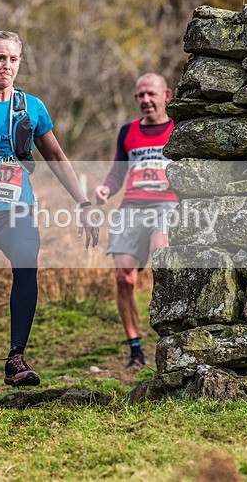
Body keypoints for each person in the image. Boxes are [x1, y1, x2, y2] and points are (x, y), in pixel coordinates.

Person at [0, 30, 99, 402]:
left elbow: (57, 158)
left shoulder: (33, 108)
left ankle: (16, 359)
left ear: (19, 63)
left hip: (18, 210)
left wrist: (84, 204)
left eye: (12, 59)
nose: (6, 66)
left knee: (27, 258)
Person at [93, 73, 177, 368]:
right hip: (132, 208)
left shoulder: (178, 129)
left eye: (151, 94)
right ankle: (136, 349)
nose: (145, 100)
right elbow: (117, 173)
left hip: (167, 205)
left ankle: (172, 335)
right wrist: (105, 189)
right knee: (123, 278)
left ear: (166, 95)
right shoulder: (128, 132)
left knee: (161, 250)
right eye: (140, 95)